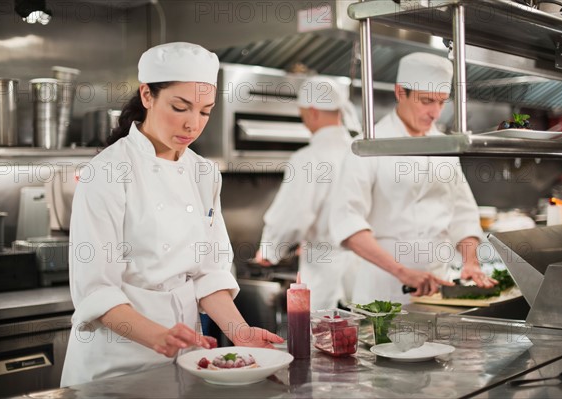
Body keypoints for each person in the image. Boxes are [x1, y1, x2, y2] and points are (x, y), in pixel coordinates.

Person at [61, 42, 283, 387]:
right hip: (113, 367)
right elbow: (95, 291)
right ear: (147, 95)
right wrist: (156, 336)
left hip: (184, 362)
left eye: (205, 111)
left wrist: (241, 333)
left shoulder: (204, 173)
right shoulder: (107, 172)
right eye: (180, 107)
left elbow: (208, 272)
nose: (193, 124)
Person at [329, 52, 498, 305]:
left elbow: (463, 215)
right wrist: (403, 272)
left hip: (440, 290)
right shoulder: (368, 146)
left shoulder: (445, 146)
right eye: (427, 101)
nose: (435, 113)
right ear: (400, 93)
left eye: (442, 102)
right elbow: (347, 221)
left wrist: (470, 262)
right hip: (384, 289)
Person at [255, 76, 361, 310]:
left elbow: (294, 215)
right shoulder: (359, 152)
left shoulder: (308, 159)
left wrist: (269, 250)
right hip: (361, 273)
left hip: (325, 278)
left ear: (312, 112)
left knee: (322, 341)